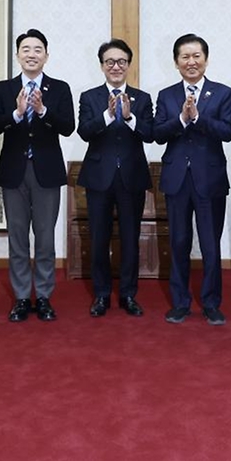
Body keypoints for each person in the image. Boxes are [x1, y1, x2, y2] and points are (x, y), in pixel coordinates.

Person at [0, 29, 75, 323]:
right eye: (26, 49)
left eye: (38, 49)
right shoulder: (3, 88)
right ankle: (23, 297)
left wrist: (42, 110)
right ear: (17, 55)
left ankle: (45, 297)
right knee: (18, 239)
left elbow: (68, 127)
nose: (32, 54)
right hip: (14, 172)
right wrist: (16, 113)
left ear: (46, 55)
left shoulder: (59, 88)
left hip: (46, 172)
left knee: (46, 239)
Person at [155, 33, 231, 325]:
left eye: (196, 56)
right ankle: (180, 303)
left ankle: (212, 303)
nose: (191, 62)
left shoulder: (223, 93)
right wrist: (181, 120)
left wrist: (198, 119)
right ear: (176, 62)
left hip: (209, 178)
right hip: (177, 178)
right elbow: (157, 133)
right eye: (185, 57)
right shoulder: (167, 95)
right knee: (178, 242)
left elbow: (227, 131)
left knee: (210, 244)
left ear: (206, 59)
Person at [76, 39, 154, 317]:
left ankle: (128, 294)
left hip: (131, 176)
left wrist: (129, 117)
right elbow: (84, 131)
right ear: (102, 66)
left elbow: (151, 134)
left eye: (121, 61)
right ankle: (101, 294)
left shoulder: (142, 98)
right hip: (99, 177)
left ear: (129, 65)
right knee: (99, 238)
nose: (116, 66)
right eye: (110, 61)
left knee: (131, 238)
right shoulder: (89, 97)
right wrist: (109, 115)